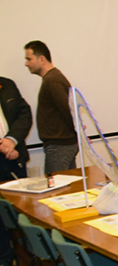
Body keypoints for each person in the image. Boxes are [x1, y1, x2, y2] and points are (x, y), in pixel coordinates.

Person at [23, 41, 78, 174]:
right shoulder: (52, 78)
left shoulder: (52, 80)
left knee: (57, 190)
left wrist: (78, 131)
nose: (26, 63)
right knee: (68, 188)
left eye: (29, 59)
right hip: (62, 145)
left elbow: (68, 110)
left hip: (60, 146)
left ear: (42, 59)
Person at [0, 76, 33, 266]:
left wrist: (12, 142)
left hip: (12, 155)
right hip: (3, 150)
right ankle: (5, 258)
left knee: (22, 209)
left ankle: (29, 256)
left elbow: (24, 114)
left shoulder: (7, 84)